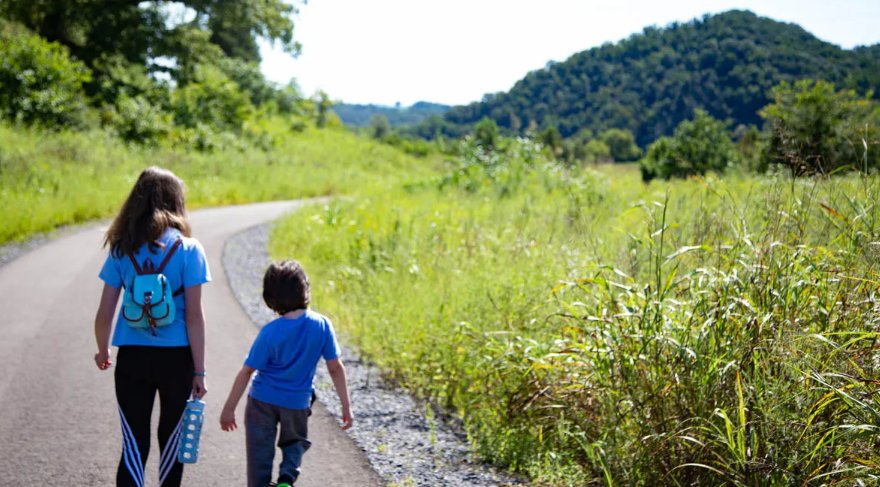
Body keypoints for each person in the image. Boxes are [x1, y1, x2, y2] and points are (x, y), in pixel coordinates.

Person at [93, 166, 211, 487]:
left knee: (134, 445)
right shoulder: (189, 250)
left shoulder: (122, 248)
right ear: (177, 202)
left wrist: (103, 349)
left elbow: (105, 312)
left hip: (131, 358)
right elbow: (194, 316)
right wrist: (199, 372)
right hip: (177, 360)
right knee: (172, 446)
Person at [220, 260, 353, 487]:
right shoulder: (322, 325)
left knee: (259, 452)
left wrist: (228, 408)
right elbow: (335, 367)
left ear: (271, 297)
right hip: (297, 402)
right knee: (295, 443)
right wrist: (346, 406)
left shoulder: (270, 332)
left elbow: (247, 371)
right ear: (305, 289)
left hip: (262, 400)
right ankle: (286, 478)